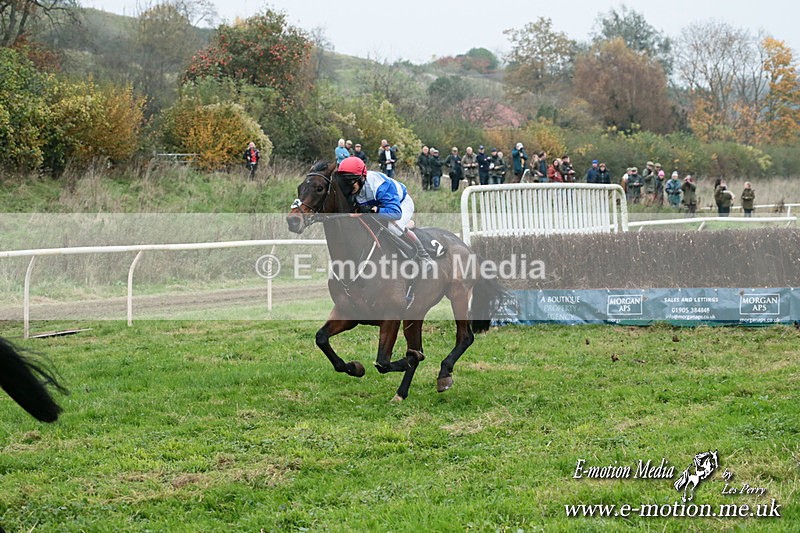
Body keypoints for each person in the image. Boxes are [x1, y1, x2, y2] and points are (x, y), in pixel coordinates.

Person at [337, 156, 434, 274]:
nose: (346, 187)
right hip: (379, 205)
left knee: (394, 228)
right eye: (344, 182)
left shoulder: (379, 186)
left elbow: (395, 213)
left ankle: (424, 257)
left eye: (350, 182)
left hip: (400, 205)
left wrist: (375, 210)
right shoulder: (353, 185)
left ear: (362, 178)